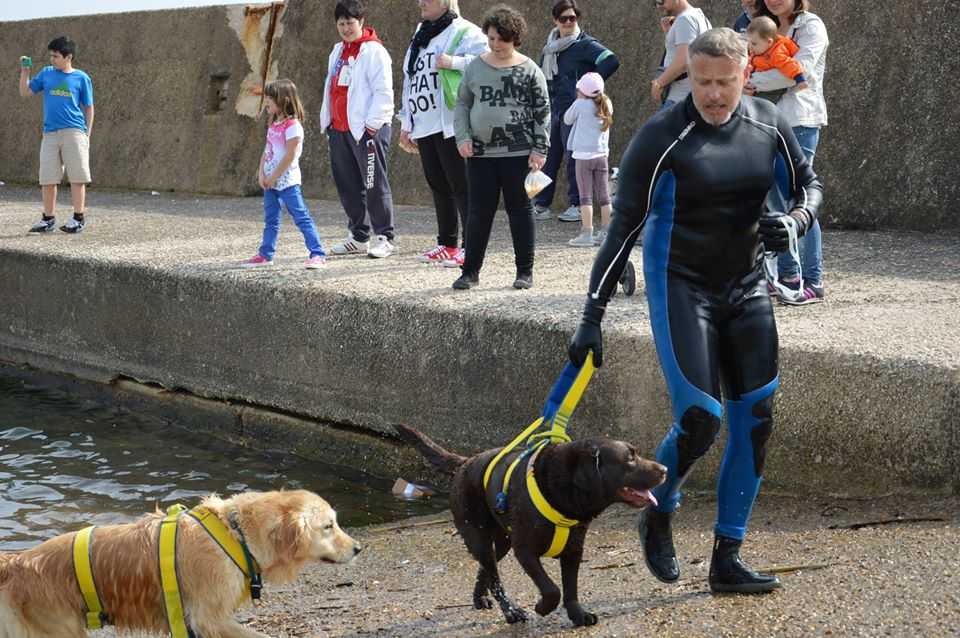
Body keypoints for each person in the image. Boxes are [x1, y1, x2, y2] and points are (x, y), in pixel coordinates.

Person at [568, 28, 823, 593]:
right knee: (702, 420)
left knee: (755, 420)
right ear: (690, 77)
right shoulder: (663, 136)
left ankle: (727, 558)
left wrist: (795, 223)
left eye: (724, 83)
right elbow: (622, 230)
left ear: (745, 77)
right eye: (701, 82)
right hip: (681, 286)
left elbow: (810, 187)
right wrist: (592, 315)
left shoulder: (768, 123)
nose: (712, 95)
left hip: (747, 286)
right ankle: (658, 510)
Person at [451, 4, 549, 290]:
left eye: (501, 39)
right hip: (481, 154)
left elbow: (542, 110)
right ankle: (470, 272)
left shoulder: (530, 70)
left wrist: (540, 148)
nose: (495, 44)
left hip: (519, 154)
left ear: (514, 38)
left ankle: (524, 271)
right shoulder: (475, 67)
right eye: (491, 38)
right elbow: (463, 103)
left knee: (520, 210)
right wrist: (462, 136)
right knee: (478, 212)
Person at [750, 0, 829, 304]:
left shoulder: (810, 26)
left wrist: (751, 84)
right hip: (762, 120)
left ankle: (813, 279)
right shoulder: (760, 24)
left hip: (798, 121)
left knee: (800, 199)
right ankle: (787, 275)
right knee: (773, 201)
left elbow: (799, 72)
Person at [399, 0, 487, 269]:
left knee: (462, 186)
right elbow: (409, 78)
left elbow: (488, 61)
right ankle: (447, 243)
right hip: (424, 122)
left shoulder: (465, 31)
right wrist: (406, 120)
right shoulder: (421, 34)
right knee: (438, 184)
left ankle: (471, 247)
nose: (420, 3)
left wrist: (454, 62)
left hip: (451, 122)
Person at [319, 0, 397, 259]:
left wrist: (372, 126)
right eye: (340, 23)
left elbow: (384, 92)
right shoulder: (337, 50)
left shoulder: (374, 51)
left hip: (367, 131)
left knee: (374, 182)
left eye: (350, 22)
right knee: (348, 185)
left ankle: (384, 236)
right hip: (339, 128)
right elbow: (332, 87)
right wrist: (328, 122)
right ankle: (358, 235)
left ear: (361, 21)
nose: (345, 28)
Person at [533, 0, 619, 223]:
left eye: (573, 18)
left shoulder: (584, 44)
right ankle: (541, 204)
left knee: (574, 158)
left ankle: (576, 205)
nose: (569, 22)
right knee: (548, 157)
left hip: (574, 109)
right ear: (555, 20)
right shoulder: (551, 46)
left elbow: (610, 60)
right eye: (564, 18)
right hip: (553, 109)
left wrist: (588, 89)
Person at [242, 80, 327, 269]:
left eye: (270, 99)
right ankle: (265, 254)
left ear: (284, 100)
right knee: (271, 219)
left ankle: (318, 254)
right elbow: (267, 150)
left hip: (287, 182)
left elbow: (290, 156)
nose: (267, 102)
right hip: (270, 183)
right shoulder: (274, 124)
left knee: (301, 217)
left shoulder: (293, 126)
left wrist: (273, 177)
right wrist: (262, 174)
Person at [18, 36, 94, 234]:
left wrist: (87, 134)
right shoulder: (46, 73)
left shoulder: (81, 78)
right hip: (50, 133)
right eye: (50, 55)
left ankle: (78, 218)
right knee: (48, 178)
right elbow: (25, 92)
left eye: (56, 56)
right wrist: (25, 72)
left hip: (74, 132)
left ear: (68, 57)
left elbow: (89, 107)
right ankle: (48, 219)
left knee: (77, 177)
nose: (52, 59)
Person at [563, 72, 613, 248]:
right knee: (604, 196)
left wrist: (578, 100)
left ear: (582, 90)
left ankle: (587, 233)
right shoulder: (607, 103)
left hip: (583, 157)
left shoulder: (579, 104)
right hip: (602, 156)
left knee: (585, 197)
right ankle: (606, 232)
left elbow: (567, 119)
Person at [651, 0, 711, 109]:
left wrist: (659, 83)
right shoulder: (698, 15)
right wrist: (671, 33)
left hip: (679, 98)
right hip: (689, 96)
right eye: (655, 2)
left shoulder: (685, 19)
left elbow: (684, 61)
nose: (658, 6)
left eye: (660, 1)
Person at [747, 15, 809, 101]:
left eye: (754, 44)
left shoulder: (777, 54)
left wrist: (800, 79)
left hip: (771, 91)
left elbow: (789, 64)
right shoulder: (761, 50)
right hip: (759, 82)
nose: (750, 47)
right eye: (748, 42)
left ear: (769, 42)